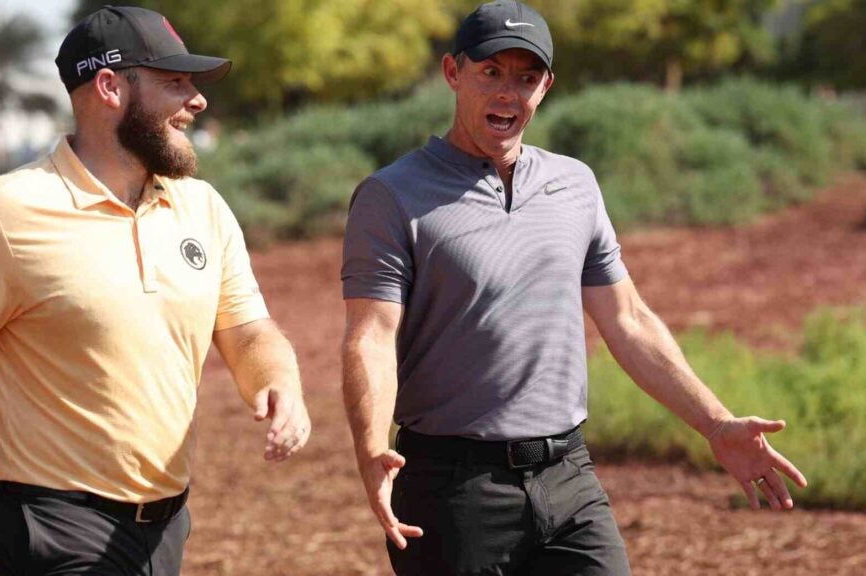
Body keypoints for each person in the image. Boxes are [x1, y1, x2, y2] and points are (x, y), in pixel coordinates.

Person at [340, 2, 807, 574]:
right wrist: (369, 449)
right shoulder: (393, 195)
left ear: (547, 87)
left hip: (569, 476)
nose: (508, 93)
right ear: (452, 72)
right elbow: (372, 334)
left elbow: (627, 319)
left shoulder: (574, 184)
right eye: (491, 72)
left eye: (526, 78)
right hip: (452, 487)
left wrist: (715, 422)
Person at [0, 6, 311, 576]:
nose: (198, 101)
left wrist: (278, 381)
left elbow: (248, 329)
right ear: (110, 86)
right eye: (175, 83)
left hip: (166, 526)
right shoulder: (1, 215)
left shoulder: (202, 207)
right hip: (52, 528)